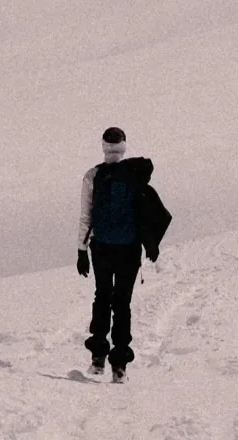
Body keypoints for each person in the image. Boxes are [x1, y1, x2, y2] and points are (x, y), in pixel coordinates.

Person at [75, 125, 170, 380]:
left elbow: (86, 217)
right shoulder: (134, 174)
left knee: (102, 296)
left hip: (102, 247)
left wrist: (81, 251)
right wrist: (150, 243)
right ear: (124, 147)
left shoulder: (92, 176)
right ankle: (119, 366)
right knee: (122, 303)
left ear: (104, 148)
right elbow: (146, 211)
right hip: (129, 248)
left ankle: (97, 358)